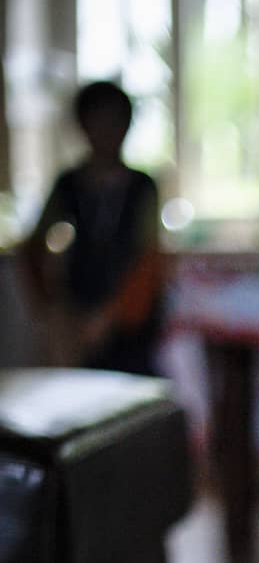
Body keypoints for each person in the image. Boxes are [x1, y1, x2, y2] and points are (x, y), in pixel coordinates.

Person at [22, 80, 163, 374]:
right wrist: (52, 309)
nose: (107, 131)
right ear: (82, 126)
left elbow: (148, 257)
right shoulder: (69, 185)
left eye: (116, 121)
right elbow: (33, 247)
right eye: (97, 120)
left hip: (130, 323)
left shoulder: (141, 186)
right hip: (78, 318)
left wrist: (109, 316)